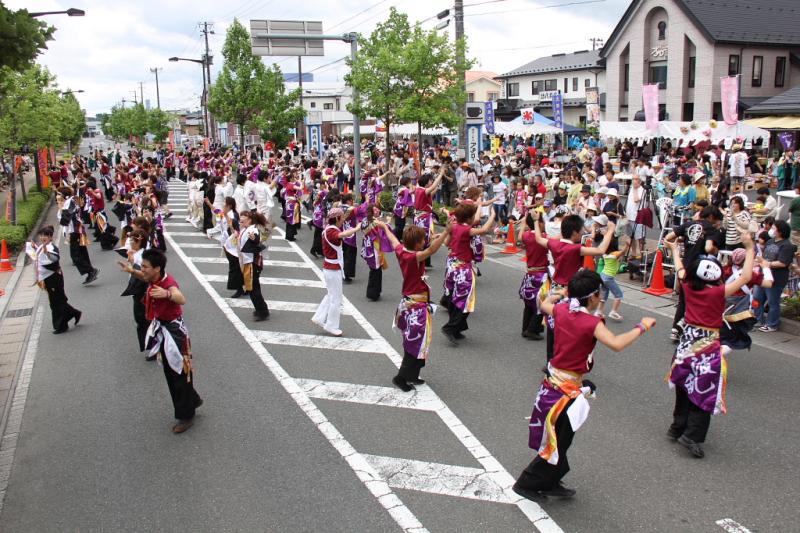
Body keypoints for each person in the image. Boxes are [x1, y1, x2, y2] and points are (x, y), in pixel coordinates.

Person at [512, 270, 655, 501]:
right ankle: (527, 483)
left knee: (562, 438)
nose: (600, 297)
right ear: (593, 296)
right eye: (599, 293)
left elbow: (544, 302)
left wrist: (557, 295)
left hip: (557, 385)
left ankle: (550, 481)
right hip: (564, 391)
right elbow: (616, 344)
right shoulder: (591, 322)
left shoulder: (561, 311)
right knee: (557, 440)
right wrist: (643, 326)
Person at [664, 231, 754, 458]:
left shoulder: (688, 286)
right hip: (708, 349)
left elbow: (680, 268)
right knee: (704, 391)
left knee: (684, 386)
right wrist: (750, 247)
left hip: (686, 346)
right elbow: (745, 277)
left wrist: (675, 250)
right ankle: (692, 435)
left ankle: (677, 426)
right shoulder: (718, 293)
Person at [124, 249, 202, 434]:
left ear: (157, 268)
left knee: (177, 372)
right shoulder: (154, 279)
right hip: (162, 328)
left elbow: (181, 298)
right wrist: (132, 271)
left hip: (173, 332)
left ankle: (186, 415)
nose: (142, 269)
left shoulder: (168, 283)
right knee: (173, 371)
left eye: (145, 267)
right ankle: (193, 399)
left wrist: (167, 295)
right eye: (141, 266)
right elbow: (145, 279)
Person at [531, 212, 617, 361]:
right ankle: (565, 361)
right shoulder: (575, 249)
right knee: (570, 328)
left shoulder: (554, 244)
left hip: (553, 290)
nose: (583, 232)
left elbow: (538, 239)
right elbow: (600, 250)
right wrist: (610, 231)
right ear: (575, 233)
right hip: (570, 292)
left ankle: (550, 361)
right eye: (581, 230)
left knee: (553, 325)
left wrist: (535, 221)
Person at [378, 223, 450, 391]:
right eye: (423, 239)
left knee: (419, 341)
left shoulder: (402, 251)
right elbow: (431, 250)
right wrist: (446, 231)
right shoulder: (413, 257)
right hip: (416, 307)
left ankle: (413, 375)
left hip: (411, 304)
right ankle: (400, 378)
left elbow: (393, 240)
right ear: (417, 243)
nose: (425, 241)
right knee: (414, 343)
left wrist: (385, 227)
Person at [665, 206, 725, 341]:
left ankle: (676, 329)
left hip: (685, 266)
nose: (716, 223)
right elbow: (708, 248)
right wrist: (715, 250)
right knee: (701, 299)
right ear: (711, 217)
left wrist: (681, 242)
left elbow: (668, 237)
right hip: (701, 268)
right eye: (716, 220)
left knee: (683, 298)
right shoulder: (711, 228)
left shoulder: (688, 224)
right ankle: (696, 329)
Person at [440, 203, 495, 345]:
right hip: (463, 268)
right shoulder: (466, 230)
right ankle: (450, 328)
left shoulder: (454, 227)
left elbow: (446, 243)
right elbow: (483, 229)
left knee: (453, 297)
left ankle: (457, 328)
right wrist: (493, 216)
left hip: (451, 264)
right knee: (464, 300)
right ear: (469, 218)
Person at [311, 208, 360, 336]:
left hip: (330, 267)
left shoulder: (328, 228)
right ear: (337, 218)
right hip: (332, 269)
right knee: (336, 299)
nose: (343, 220)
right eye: (341, 218)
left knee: (331, 295)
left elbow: (341, 231)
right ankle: (331, 326)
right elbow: (341, 235)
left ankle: (319, 317)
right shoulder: (332, 231)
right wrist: (356, 229)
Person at [27, 225, 82, 334]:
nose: (43, 237)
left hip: (53, 278)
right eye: (42, 235)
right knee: (56, 301)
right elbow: (39, 257)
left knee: (57, 302)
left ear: (51, 237)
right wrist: (34, 247)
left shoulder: (51, 248)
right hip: (47, 278)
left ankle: (62, 325)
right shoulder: (42, 246)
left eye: (46, 236)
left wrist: (47, 253)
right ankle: (74, 314)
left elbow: (54, 258)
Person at [753, 220, 797, 332]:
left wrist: (768, 264)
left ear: (780, 231)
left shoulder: (787, 245)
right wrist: (760, 262)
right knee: (757, 298)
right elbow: (764, 256)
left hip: (776, 278)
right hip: (763, 275)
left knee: (773, 302)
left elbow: (783, 263)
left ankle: (772, 324)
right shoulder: (770, 241)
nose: (771, 229)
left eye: (774, 228)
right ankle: (758, 320)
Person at [57, 186, 99, 284]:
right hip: (77, 230)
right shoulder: (70, 202)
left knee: (75, 255)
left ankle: (91, 271)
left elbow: (64, 220)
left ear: (63, 195)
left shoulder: (69, 203)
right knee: (82, 253)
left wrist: (60, 207)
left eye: (59, 194)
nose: (57, 196)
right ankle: (90, 272)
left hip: (75, 231)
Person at [118, 229, 151, 354]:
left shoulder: (143, 256)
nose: (129, 242)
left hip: (143, 290)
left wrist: (132, 265)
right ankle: (149, 345)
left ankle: (153, 346)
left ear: (138, 241)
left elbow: (145, 275)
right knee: (141, 319)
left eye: (132, 240)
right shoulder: (136, 254)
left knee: (144, 319)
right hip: (138, 290)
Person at [518, 212, 548, 340]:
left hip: (529, 274)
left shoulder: (525, 235)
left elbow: (519, 237)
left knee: (529, 303)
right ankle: (531, 329)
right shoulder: (544, 237)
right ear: (540, 223)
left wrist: (524, 222)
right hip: (540, 274)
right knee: (541, 303)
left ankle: (526, 327)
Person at [239, 210, 270, 322]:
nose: (241, 218)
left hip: (253, 263)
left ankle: (262, 312)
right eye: (241, 216)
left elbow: (256, 239)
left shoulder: (252, 230)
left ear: (250, 220)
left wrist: (254, 239)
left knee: (253, 288)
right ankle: (261, 309)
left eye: (244, 217)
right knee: (252, 288)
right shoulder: (245, 229)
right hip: (248, 262)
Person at [413, 169, 444, 267]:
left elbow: (432, 191)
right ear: (426, 183)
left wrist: (438, 184)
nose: (431, 182)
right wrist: (441, 174)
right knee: (425, 239)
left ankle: (425, 262)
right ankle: (420, 261)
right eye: (430, 180)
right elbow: (433, 188)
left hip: (420, 217)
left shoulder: (419, 190)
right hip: (423, 218)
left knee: (425, 239)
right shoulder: (423, 191)